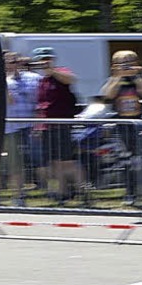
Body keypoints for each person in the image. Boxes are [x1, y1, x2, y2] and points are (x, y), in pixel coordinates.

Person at [0, 52, 40, 207]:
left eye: (15, 61)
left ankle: (18, 197)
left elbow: (10, 100)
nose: (12, 64)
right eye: (8, 62)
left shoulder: (25, 79)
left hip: (13, 129)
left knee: (15, 166)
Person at [32, 47, 84, 202]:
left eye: (47, 59)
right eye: (41, 60)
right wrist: (38, 126)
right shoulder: (42, 81)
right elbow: (41, 105)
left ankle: (83, 190)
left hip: (62, 124)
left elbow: (71, 79)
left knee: (68, 161)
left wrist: (52, 70)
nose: (44, 62)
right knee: (54, 163)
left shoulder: (61, 72)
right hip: (47, 126)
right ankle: (63, 193)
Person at [100, 50, 142, 206]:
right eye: (122, 63)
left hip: (138, 122)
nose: (126, 66)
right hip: (122, 126)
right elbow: (107, 95)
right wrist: (118, 76)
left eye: (130, 62)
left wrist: (136, 75)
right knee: (127, 161)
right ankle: (130, 193)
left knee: (140, 160)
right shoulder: (113, 80)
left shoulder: (138, 78)